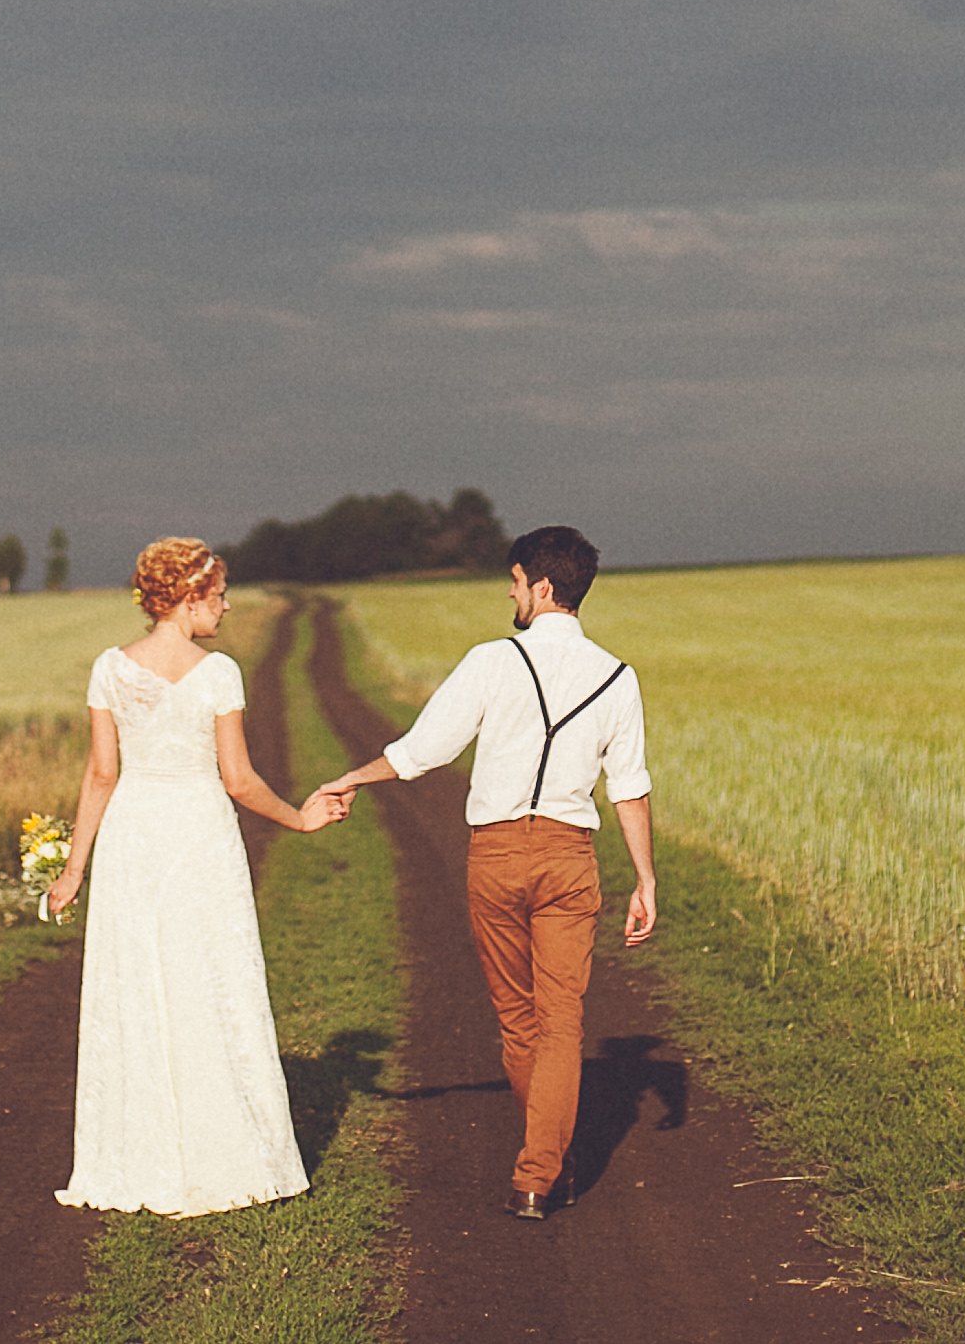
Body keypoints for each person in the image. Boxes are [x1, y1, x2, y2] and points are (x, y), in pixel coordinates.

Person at [317, 523, 654, 1221]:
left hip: (496, 857)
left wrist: (353, 777)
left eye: (514, 581)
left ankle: (542, 1164)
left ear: (542, 586)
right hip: (569, 858)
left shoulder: (489, 661)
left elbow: (425, 749)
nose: (509, 592)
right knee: (562, 1022)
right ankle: (539, 1173)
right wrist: (645, 879)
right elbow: (629, 785)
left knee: (517, 1021)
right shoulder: (618, 678)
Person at [47, 536, 350, 1215]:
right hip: (196, 833)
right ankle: (225, 1153)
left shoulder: (109, 668)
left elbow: (101, 774)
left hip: (132, 834)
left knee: (139, 984)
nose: (227, 605)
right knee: (209, 978)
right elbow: (238, 781)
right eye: (218, 594)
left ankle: (140, 1153)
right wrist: (299, 820)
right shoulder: (218, 675)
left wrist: (74, 870)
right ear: (188, 599)